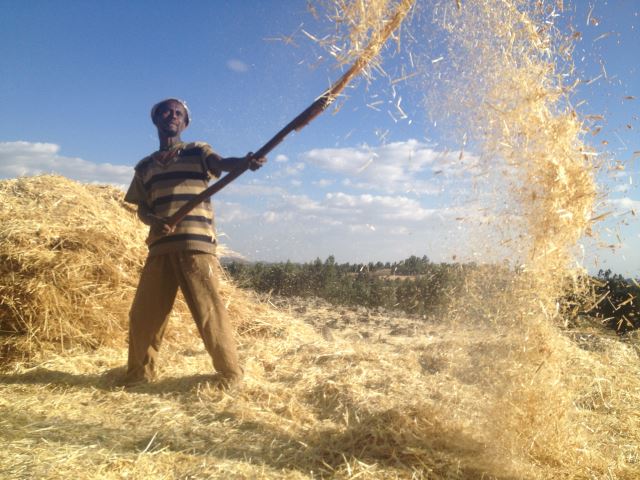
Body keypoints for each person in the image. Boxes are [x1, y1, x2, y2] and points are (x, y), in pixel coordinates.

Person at [120, 97, 265, 388]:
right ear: (157, 120)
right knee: (143, 315)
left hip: (196, 246)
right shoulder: (144, 167)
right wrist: (153, 221)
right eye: (166, 112)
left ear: (185, 123)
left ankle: (230, 375)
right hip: (160, 247)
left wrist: (244, 162)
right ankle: (139, 376)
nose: (172, 116)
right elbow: (142, 209)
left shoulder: (197, 151)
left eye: (178, 113)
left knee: (208, 312)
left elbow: (222, 164)